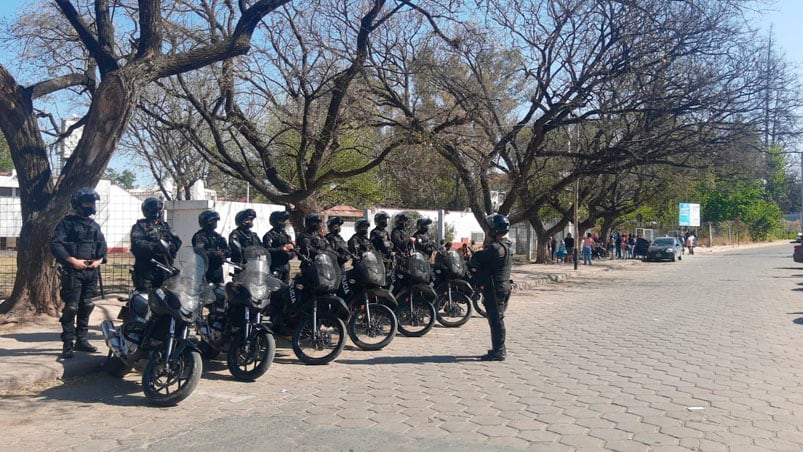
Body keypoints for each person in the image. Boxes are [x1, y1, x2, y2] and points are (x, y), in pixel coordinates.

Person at [50, 187, 108, 359]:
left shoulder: (94, 226)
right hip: (72, 272)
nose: (90, 206)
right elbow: (56, 245)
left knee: (87, 306)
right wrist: (72, 261)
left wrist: (99, 261)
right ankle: (67, 344)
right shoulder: (66, 223)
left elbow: (102, 248)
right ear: (78, 204)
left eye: (92, 202)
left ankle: (81, 340)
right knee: (71, 308)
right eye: (87, 202)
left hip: (91, 272)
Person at [470, 214, 513, 361]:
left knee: (496, 319)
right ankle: (498, 348)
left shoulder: (495, 249)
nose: (486, 232)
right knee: (495, 319)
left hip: (496, 289)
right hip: (501, 287)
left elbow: (476, 259)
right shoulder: (505, 246)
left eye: (488, 229)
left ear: (494, 231)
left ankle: (499, 351)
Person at [191, 210, 229, 285]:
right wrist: (215, 253)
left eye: (215, 221)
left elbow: (227, 249)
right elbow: (200, 252)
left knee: (221, 292)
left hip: (218, 270)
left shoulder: (217, 236)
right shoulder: (200, 236)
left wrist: (224, 253)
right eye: (212, 221)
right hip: (205, 270)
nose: (214, 223)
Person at [262, 211, 295, 283]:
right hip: (276, 267)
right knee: (275, 288)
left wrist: (292, 248)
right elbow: (266, 250)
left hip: (286, 267)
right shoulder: (269, 235)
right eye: (280, 220)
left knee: (286, 288)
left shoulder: (286, 235)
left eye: (283, 220)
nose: (283, 223)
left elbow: (292, 249)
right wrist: (282, 249)